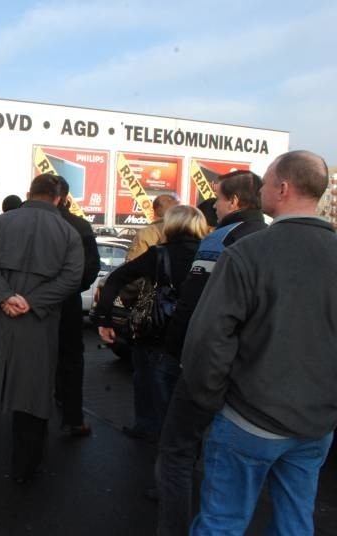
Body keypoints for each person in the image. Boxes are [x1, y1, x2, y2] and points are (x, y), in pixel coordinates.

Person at [184, 151, 337, 534]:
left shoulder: (246, 253)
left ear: (283, 188)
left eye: (266, 182)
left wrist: (211, 399)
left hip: (247, 420)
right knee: (295, 522)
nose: (261, 188)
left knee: (221, 523)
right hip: (316, 425)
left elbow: (206, 340)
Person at [155, 170, 267, 535]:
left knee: (175, 453)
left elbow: (194, 306)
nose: (214, 207)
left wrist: (175, 353)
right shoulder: (267, 237)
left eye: (218, 199)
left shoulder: (221, 239)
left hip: (204, 363)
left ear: (233, 202)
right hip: (249, 369)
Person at [0, 174, 83, 482]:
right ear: (59, 199)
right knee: (33, 394)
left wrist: (4, 297)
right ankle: (24, 467)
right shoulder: (68, 232)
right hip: (38, 322)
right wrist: (32, 302)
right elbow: (71, 277)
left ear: (29, 193)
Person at [96, 205, 208, 438]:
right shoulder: (210, 255)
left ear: (171, 224)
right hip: (197, 333)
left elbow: (116, 279)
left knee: (148, 382)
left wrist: (104, 318)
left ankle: (149, 428)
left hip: (155, 332)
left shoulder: (159, 254)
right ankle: (182, 438)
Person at [118, 193, 181, 442]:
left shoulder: (147, 234)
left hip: (151, 316)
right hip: (179, 317)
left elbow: (129, 274)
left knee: (144, 373)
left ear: (155, 210)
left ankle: (147, 425)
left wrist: (132, 306)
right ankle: (171, 428)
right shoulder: (197, 236)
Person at [53, 177, 100, 437]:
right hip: (68, 301)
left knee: (32, 357)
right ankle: (72, 416)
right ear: (65, 197)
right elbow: (91, 267)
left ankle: (25, 414)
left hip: (31, 302)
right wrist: (72, 287)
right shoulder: (79, 225)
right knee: (71, 358)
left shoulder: (20, 221)